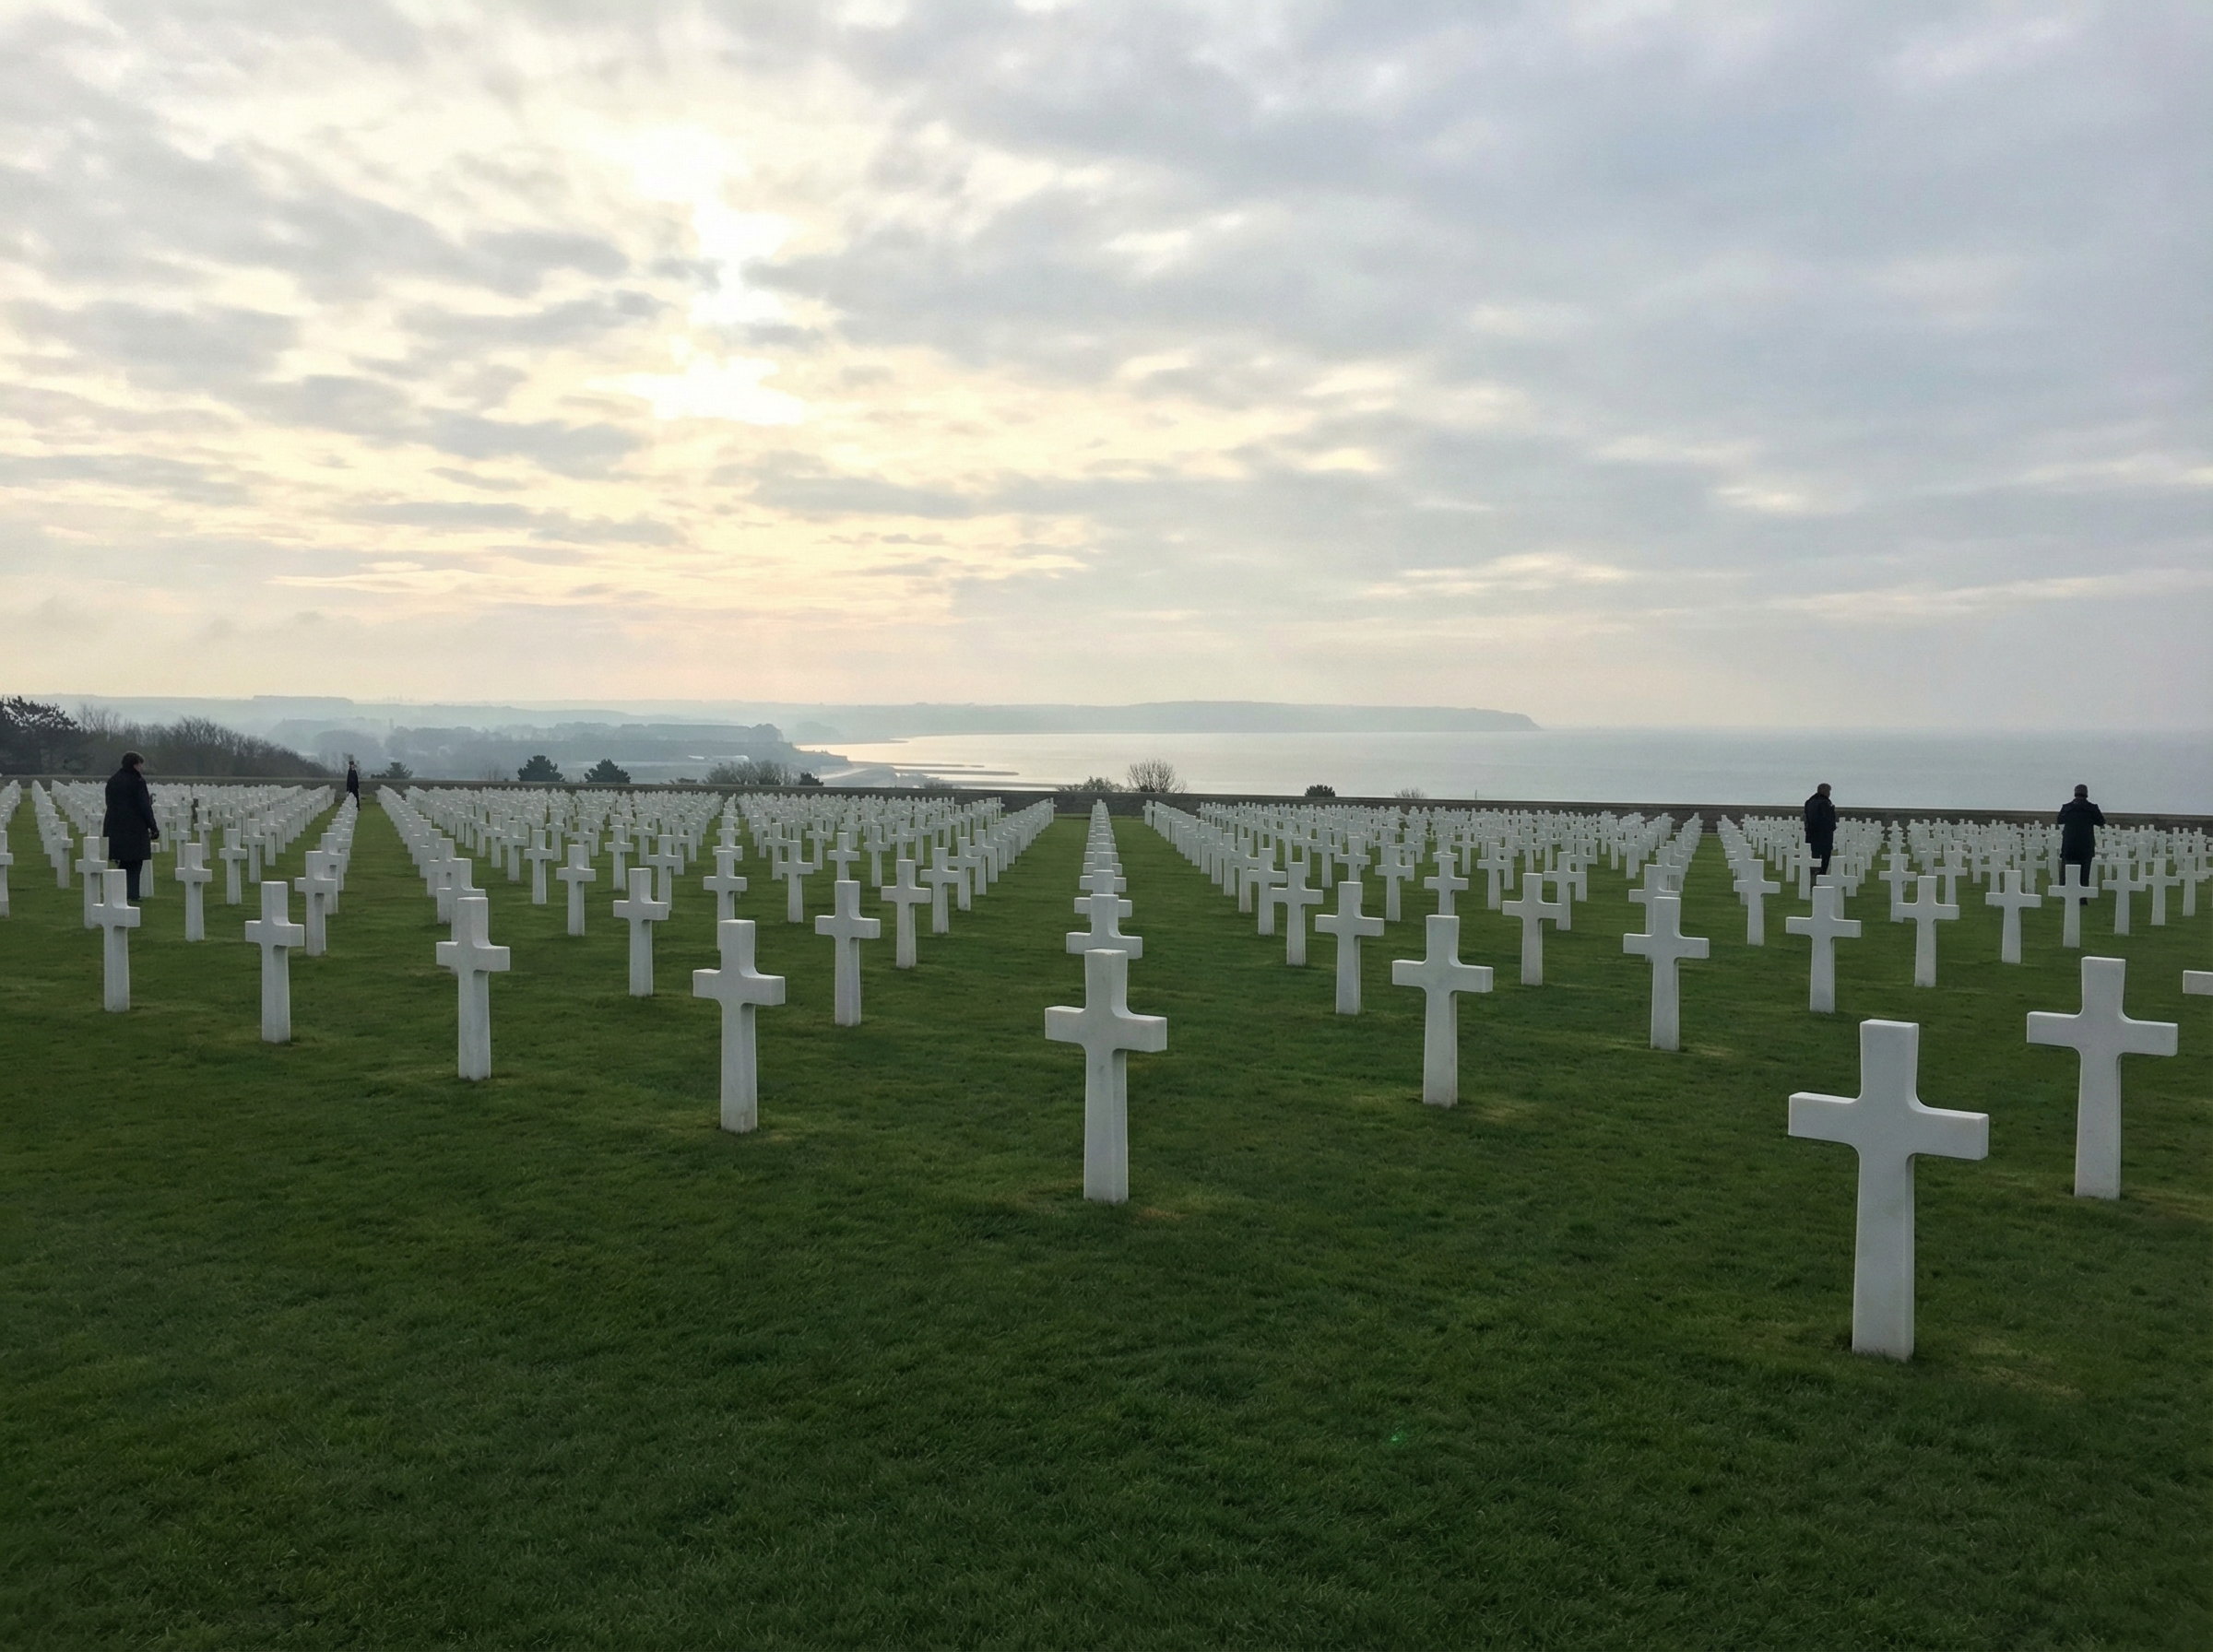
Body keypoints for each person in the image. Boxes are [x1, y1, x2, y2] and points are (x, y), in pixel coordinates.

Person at [102, 749, 160, 903]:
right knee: (135, 863)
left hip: (115, 826)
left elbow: (109, 803)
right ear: (135, 765)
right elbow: (144, 806)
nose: (141, 768)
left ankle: (120, 893)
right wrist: (153, 827)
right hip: (134, 827)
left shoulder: (113, 780)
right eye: (140, 764)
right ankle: (133, 894)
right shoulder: (137, 781)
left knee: (123, 862)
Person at [2056, 784, 2104, 891]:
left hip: (2069, 845)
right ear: (2086, 794)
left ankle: (2066, 893)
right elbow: (2101, 821)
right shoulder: (2092, 808)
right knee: (2084, 873)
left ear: (2075, 792)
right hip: (2086, 845)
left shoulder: (2067, 807)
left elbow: (2060, 820)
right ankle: (2082, 897)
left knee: (2068, 871)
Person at [1803, 782, 1838, 878]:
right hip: (1824, 836)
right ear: (1824, 791)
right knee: (1825, 857)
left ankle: (1812, 875)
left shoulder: (1809, 802)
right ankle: (1821, 875)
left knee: (1814, 856)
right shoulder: (1825, 803)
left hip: (1811, 834)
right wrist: (1832, 828)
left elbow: (1806, 818)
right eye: (1828, 791)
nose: (1829, 793)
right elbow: (1828, 820)